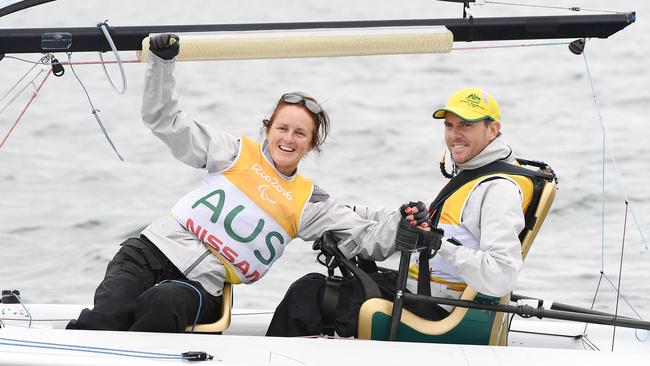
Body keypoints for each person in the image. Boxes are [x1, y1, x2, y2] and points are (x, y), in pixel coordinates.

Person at [66, 33, 400, 332]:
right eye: (282, 129)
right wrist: (162, 62)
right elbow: (163, 120)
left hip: (198, 286)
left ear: (311, 145)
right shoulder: (232, 153)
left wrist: (405, 225)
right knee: (106, 316)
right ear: (268, 129)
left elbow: (366, 238)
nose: (288, 139)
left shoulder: (308, 202)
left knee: (162, 303)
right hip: (149, 253)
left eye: (300, 134)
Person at [266, 86, 534, 337]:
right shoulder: (474, 174)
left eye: (466, 125)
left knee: (308, 295)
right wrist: (354, 211)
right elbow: (434, 227)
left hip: (434, 310)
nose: (455, 135)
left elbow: (501, 275)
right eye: (449, 125)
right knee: (313, 285)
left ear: (493, 129)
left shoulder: (498, 189)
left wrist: (437, 244)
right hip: (419, 292)